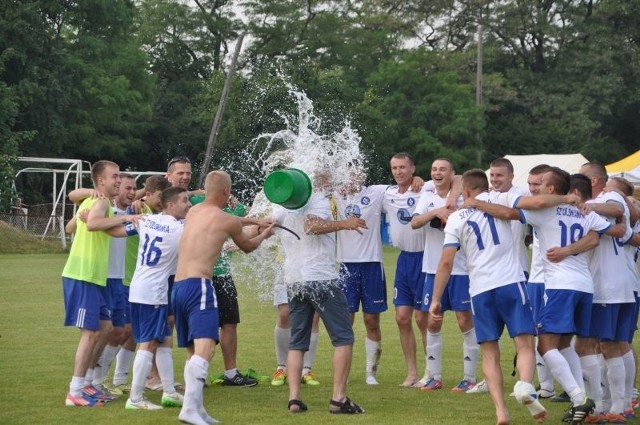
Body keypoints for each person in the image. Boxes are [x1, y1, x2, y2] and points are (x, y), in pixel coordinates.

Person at [465, 167, 627, 425]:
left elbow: (508, 213)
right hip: (585, 286)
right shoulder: (582, 210)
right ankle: (590, 406)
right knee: (571, 345)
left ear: (552, 189)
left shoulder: (544, 210)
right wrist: (583, 231)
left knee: (545, 345)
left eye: (539, 184)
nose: (535, 188)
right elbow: (605, 235)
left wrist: (476, 203)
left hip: (560, 286)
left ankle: (578, 397)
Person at [430, 169, 546, 424]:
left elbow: (446, 262)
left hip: (480, 290)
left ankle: (500, 412)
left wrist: (436, 299)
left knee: (490, 353)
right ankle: (524, 386)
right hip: (511, 283)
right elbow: (525, 210)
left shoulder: (458, 217)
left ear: (467, 191)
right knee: (525, 344)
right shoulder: (503, 200)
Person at [172, 170, 274, 425]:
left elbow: (231, 220)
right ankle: (189, 409)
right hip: (200, 286)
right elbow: (248, 247)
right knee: (206, 348)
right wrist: (265, 233)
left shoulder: (194, 212)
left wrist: (254, 219)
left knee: (194, 349)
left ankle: (197, 407)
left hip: (178, 286)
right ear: (226, 193)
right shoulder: (226, 219)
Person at [273, 169, 367, 414]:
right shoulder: (317, 199)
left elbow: (264, 227)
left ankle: (294, 399)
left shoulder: (284, 205)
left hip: (295, 281)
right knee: (344, 338)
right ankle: (339, 399)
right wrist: (345, 224)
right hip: (321, 278)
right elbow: (312, 226)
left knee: (297, 342)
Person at [61, 160, 140, 407]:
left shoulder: (95, 202)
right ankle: (75, 391)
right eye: (114, 177)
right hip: (83, 274)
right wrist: (132, 218)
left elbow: (111, 231)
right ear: (100, 181)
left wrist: (136, 224)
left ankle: (87, 384)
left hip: (95, 276)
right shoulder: (102, 201)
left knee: (105, 329)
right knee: (93, 332)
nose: (118, 180)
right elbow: (93, 224)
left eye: (119, 176)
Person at [574, 162, 636, 423]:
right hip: (617, 283)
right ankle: (617, 406)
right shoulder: (602, 206)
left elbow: (617, 206)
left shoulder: (608, 195)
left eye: (584, 176)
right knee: (615, 344)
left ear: (596, 181)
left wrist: (588, 206)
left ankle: (610, 407)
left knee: (601, 345)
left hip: (606, 285)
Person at [411, 158, 478, 392]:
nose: (437, 173)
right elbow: (415, 222)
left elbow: (463, 178)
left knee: (464, 320)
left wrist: (452, 200)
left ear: (452, 174)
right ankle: (434, 375)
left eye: (443, 169)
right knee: (433, 318)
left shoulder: (462, 194)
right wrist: (437, 211)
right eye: (434, 169)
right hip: (432, 268)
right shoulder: (428, 193)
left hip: (461, 269)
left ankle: (469, 377)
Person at [123, 186, 192, 410]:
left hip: (142, 287)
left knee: (163, 338)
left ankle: (169, 391)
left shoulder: (147, 220)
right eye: (184, 200)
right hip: (152, 290)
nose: (188, 205)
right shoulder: (177, 228)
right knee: (149, 342)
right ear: (170, 204)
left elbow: (121, 231)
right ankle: (135, 398)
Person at [110, 175, 171, 393]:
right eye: (159, 198)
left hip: (138, 279)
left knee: (134, 331)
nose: (162, 202)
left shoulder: (155, 213)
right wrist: (139, 198)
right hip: (130, 277)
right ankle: (101, 378)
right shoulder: (139, 209)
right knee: (124, 330)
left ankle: (121, 379)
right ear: (150, 194)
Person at [334, 164, 388, 385]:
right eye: (346, 172)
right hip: (346, 266)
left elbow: (404, 188)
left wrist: (418, 182)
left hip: (372, 264)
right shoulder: (335, 194)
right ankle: (343, 374)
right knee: (345, 321)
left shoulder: (375, 192)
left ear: (363, 173)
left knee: (371, 320)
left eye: (356, 171)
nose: (352, 176)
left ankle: (370, 372)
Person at [383, 152, 429, 387]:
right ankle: (411, 373)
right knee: (402, 318)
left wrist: (421, 180)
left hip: (425, 258)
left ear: (412, 168)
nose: (399, 172)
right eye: (395, 168)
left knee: (423, 318)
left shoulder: (425, 189)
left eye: (403, 167)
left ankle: (431, 371)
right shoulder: (387, 194)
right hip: (404, 261)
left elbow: (458, 178)